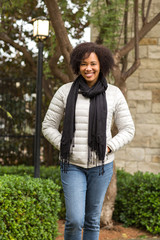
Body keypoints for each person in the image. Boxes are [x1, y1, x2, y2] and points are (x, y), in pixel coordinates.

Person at [42, 42, 135, 240]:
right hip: (72, 165)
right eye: (84, 64)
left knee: (92, 220)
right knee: (75, 219)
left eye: (93, 63)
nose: (88, 68)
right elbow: (48, 126)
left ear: (101, 65)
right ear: (77, 65)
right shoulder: (65, 92)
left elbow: (128, 129)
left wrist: (110, 146)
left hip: (101, 166)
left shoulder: (114, 94)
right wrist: (65, 145)